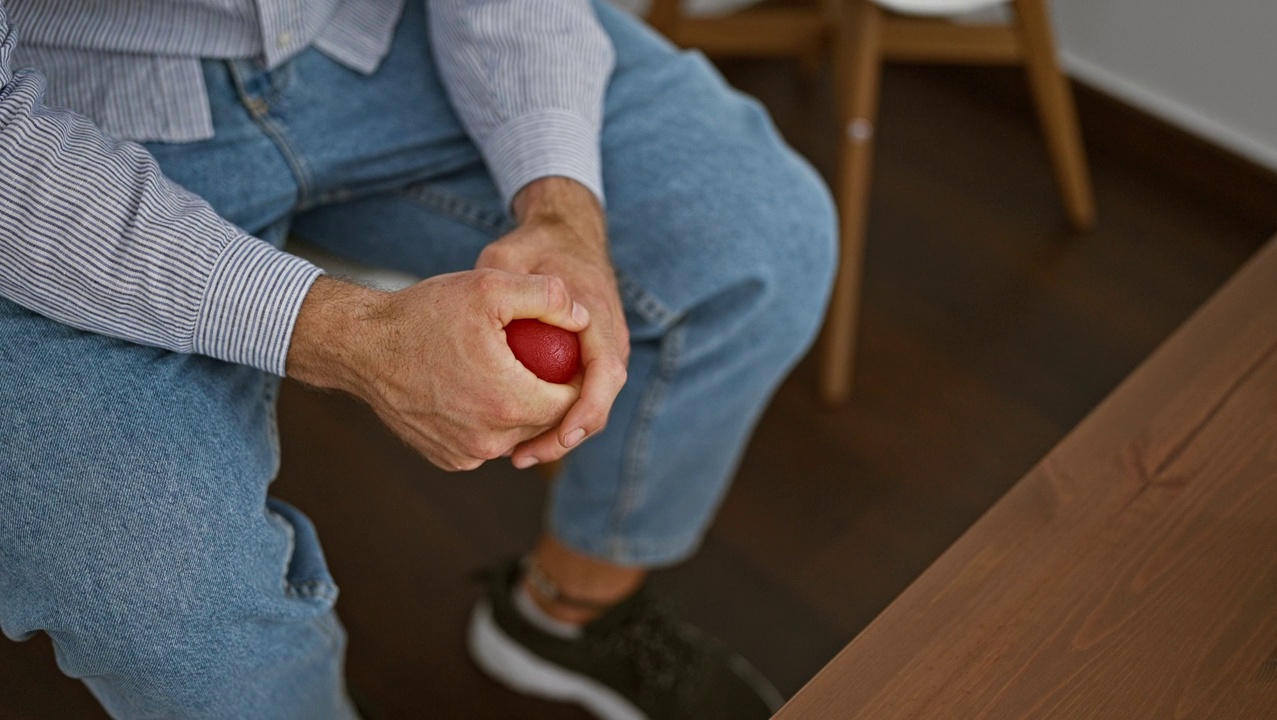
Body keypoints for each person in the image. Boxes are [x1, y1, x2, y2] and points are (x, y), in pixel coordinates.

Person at [0, 0, 836, 717]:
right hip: (56, 119)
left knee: (765, 235)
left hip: (367, 35)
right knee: (159, 588)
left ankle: (566, 617)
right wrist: (348, 337)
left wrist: (563, 207)